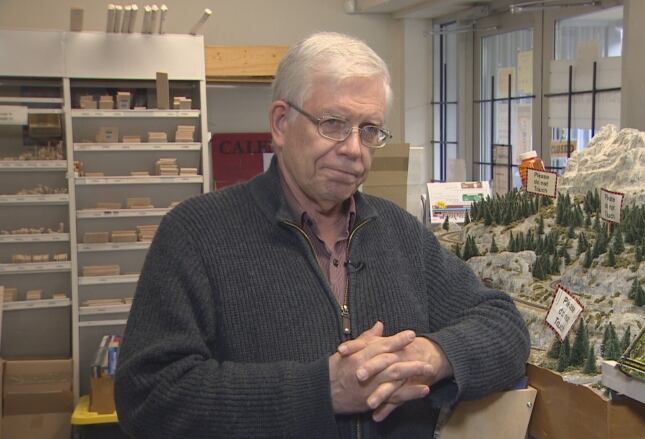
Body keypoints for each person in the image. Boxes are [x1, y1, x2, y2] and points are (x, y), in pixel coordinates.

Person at [115, 31, 530, 439]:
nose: (354, 148)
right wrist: (321, 391)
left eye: (369, 130)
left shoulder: (399, 232)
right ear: (281, 123)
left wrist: (430, 357)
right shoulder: (195, 234)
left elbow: (504, 325)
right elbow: (148, 397)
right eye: (334, 123)